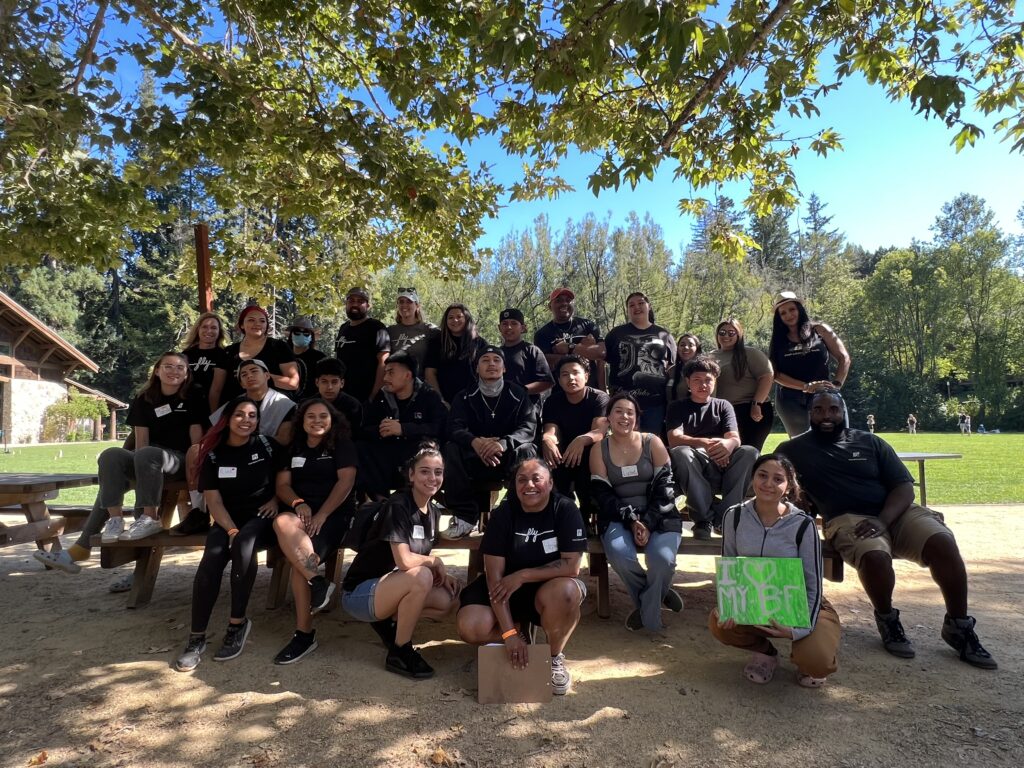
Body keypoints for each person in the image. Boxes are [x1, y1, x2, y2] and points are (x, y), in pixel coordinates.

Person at [777, 390, 997, 669]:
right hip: (846, 518)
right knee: (874, 555)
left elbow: (904, 487)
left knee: (943, 542)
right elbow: (778, 483)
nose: (826, 416)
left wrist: (883, 520)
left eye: (833, 409)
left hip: (896, 512)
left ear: (843, 411)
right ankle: (888, 619)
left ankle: (959, 625)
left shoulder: (870, 441)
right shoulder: (793, 450)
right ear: (810, 414)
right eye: (818, 410)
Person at [34, 352, 206, 571]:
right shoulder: (145, 398)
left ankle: (142, 522)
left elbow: (196, 443)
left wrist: (197, 468)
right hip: (148, 460)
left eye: (180, 367)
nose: (174, 371)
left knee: (143, 458)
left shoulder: (193, 396)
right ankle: (115, 521)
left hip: (178, 461)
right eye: (168, 366)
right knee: (111, 455)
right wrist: (136, 467)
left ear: (187, 373)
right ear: (157, 370)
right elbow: (141, 440)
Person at [456, 457, 587, 695]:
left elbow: (571, 567)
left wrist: (523, 575)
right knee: (469, 626)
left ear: (550, 483)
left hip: (547, 588)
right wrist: (508, 634)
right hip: (505, 588)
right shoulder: (503, 514)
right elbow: (495, 579)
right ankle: (518, 632)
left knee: (568, 592)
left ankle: (553, 657)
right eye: (521, 480)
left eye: (536, 479)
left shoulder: (565, 509)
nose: (529, 485)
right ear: (514, 486)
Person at [710, 454, 842, 687]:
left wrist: (797, 631)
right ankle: (766, 653)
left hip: (798, 600)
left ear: (789, 486)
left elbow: (813, 582)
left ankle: (803, 658)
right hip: (755, 596)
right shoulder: (735, 515)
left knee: (816, 662)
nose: (768, 484)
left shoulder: (803, 523)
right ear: (752, 478)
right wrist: (728, 606)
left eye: (778, 479)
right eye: (762, 475)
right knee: (718, 623)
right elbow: (729, 565)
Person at [174, 397, 280, 671]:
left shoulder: (268, 446)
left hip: (262, 518)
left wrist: (277, 501)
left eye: (252, 415)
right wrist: (230, 528)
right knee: (212, 558)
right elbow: (214, 500)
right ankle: (196, 637)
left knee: (243, 546)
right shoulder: (213, 454)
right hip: (226, 519)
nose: (246, 420)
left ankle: (237, 624)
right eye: (240, 415)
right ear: (228, 419)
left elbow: (287, 479)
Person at [341, 443, 459, 678]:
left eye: (438, 472)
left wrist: (441, 571)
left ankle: (389, 622)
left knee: (448, 599)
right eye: (424, 471)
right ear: (411, 475)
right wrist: (434, 562)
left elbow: (418, 557)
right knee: (422, 576)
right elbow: (405, 560)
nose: (432, 477)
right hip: (360, 593)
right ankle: (400, 650)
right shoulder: (399, 505)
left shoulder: (433, 511)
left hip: (391, 586)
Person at [271, 398, 358, 664]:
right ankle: (318, 581)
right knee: (281, 522)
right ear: (302, 420)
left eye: (323, 416)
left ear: (332, 420)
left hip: (333, 515)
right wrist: (299, 503)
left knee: (300, 566)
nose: (317, 421)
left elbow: (346, 482)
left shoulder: (341, 445)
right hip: (301, 513)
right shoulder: (294, 447)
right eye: (311, 416)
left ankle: (304, 634)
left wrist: (322, 514)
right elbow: (282, 485)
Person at [590, 392, 682, 631]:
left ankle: (647, 608)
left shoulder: (653, 442)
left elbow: (666, 489)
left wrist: (648, 522)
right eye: (618, 411)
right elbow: (603, 495)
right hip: (618, 516)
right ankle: (656, 598)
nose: (624, 416)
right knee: (620, 555)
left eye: (630, 412)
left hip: (660, 514)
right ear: (608, 417)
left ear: (637, 418)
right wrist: (632, 520)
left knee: (662, 560)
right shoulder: (599, 449)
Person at [173, 359, 297, 536]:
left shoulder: (285, 404)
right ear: (240, 382)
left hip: (265, 456)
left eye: (254, 371)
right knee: (195, 451)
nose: (249, 376)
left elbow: (283, 440)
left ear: (267, 375)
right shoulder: (235, 404)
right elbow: (216, 432)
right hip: (232, 452)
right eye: (244, 374)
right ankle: (200, 511)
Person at [440, 346, 537, 538]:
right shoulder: (464, 395)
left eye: (496, 360)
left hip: (507, 459)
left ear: (504, 368)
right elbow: (453, 428)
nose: (491, 363)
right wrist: (475, 442)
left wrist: (502, 443)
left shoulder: (518, 394)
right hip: (474, 460)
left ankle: (512, 511)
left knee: (528, 450)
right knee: (451, 448)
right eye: (485, 360)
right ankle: (465, 517)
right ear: (477, 368)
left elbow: (528, 427)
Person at [667, 358, 758, 539]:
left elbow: (734, 438)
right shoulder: (677, 407)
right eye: (697, 380)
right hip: (694, 463)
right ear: (688, 382)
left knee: (750, 452)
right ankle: (703, 520)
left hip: (724, 463)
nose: (703, 385)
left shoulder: (723, 405)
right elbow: (674, 438)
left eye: (708, 380)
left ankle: (725, 517)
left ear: (715, 381)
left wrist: (726, 446)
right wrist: (707, 445)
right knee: (680, 452)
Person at [360, 352, 447, 500]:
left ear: (407, 375)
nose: (385, 378)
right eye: (385, 373)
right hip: (387, 456)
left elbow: (439, 428)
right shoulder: (382, 397)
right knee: (362, 448)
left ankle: (413, 504)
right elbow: (364, 429)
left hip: (415, 453)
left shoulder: (429, 396)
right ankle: (380, 503)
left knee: (426, 450)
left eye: (391, 373)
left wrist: (403, 429)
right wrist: (381, 429)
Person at [769, 291, 850, 437]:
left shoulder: (820, 330)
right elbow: (775, 374)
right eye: (783, 313)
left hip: (825, 395)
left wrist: (836, 386)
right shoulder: (778, 340)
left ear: (799, 308)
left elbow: (844, 358)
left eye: (792, 309)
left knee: (835, 439)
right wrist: (806, 387)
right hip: (790, 400)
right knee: (801, 446)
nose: (789, 315)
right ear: (779, 317)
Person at [540, 354, 609, 521]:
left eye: (575, 373)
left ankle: (589, 515)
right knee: (551, 454)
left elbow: (599, 431)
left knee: (592, 453)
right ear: (558, 379)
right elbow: (551, 430)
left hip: (589, 452)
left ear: (586, 376)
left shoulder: (599, 398)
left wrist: (580, 440)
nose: (571, 378)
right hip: (564, 454)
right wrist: (547, 439)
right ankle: (561, 513)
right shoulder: (553, 401)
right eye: (565, 374)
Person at [604, 292, 676, 433]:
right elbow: (603, 362)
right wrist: (604, 392)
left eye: (641, 303)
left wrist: (670, 397)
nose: (637, 307)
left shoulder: (664, 334)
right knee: (624, 444)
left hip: (655, 403)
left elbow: (672, 366)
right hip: (623, 402)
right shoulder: (616, 334)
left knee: (650, 444)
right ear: (627, 310)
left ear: (649, 306)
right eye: (631, 305)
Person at [210, 305, 299, 406]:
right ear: (242, 325)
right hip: (237, 411)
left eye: (262, 321)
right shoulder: (228, 352)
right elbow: (216, 389)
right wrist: (215, 417)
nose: (257, 324)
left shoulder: (279, 347)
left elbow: (293, 383)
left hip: (273, 410)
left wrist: (263, 377)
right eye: (251, 320)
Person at [709, 319, 775, 451]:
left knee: (748, 452)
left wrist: (757, 404)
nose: (726, 336)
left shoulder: (750, 353)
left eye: (731, 333)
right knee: (728, 454)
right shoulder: (710, 356)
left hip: (751, 410)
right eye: (722, 332)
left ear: (739, 334)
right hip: (724, 412)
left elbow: (767, 376)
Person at [533, 288, 605, 387]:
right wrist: (585, 351)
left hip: (591, 390)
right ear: (550, 306)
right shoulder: (542, 334)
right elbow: (545, 363)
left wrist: (569, 347)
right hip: (560, 393)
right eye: (558, 300)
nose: (564, 303)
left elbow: (601, 354)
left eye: (568, 300)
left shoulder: (588, 325)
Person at [424, 303, 489, 406]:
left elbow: (487, 373)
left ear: (467, 319)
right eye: (451, 317)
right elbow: (430, 373)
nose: (455, 320)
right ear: (446, 321)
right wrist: (440, 400)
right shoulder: (437, 343)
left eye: (459, 317)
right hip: (445, 403)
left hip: (474, 402)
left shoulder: (479, 343)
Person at [334, 287, 390, 403]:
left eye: (360, 301)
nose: (355, 304)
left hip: (367, 397)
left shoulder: (377, 328)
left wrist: (374, 395)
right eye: (351, 300)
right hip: (343, 396)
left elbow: (384, 362)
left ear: (368, 306)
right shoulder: (343, 328)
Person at [497, 307, 554, 401]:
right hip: (502, 408)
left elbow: (547, 382)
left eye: (514, 323)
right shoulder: (496, 354)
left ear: (522, 328)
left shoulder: (532, 350)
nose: (509, 327)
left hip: (528, 409)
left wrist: (520, 391)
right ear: (499, 328)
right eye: (505, 324)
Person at [180, 312, 228, 413]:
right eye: (205, 327)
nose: (209, 331)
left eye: (214, 328)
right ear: (198, 329)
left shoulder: (222, 355)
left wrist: (213, 418)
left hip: (210, 408)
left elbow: (216, 390)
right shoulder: (187, 354)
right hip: (187, 407)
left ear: (219, 332)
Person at [387, 287, 439, 374]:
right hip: (396, 384)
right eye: (401, 302)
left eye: (409, 302)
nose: (404, 305)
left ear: (417, 306)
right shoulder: (389, 331)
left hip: (421, 384)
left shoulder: (430, 330)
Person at [313, 357, 363, 433]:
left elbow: (355, 435)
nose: (329, 387)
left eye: (334, 382)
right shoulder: (308, 404)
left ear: (342, 383)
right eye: (324, 382)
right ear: (317, 382)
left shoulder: (353, 406)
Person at [284, 315, 325, 402]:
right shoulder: (283, 356)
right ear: (291, 335)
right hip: (286, 404)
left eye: (306, 333)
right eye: (297, 332)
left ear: (311, 336)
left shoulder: (319, 358)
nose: (301, 335)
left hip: (312, 403)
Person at [668, 333, 702, 402]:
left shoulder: (704, 371)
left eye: (691, 345)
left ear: (697, 349)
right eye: (682, 345)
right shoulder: (671, 371)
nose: (686, 347)